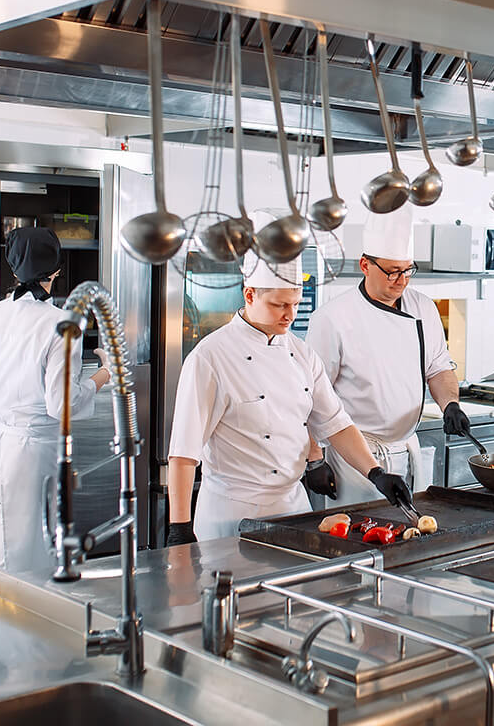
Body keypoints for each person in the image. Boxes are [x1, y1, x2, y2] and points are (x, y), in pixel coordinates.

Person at [165, 224, 412, 544]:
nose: (290, 315)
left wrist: (376, 473)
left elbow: (337, 425)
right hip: (232, 514)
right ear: (250, 294)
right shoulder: (210, 357)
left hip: (293, 508)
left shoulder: (301, 353)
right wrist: (179, 527)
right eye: (279, 305)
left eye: (295, 303)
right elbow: (184, 453)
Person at [0, 228, 112, 574]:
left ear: (13, 270)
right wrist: (105, 374)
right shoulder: (62, 324)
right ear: (56, 270)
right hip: (28, 456)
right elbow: (62, 405)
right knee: (24, 567)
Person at [305, 205, 468, 506]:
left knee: (414, 538)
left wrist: (451, 404)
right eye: (392, 271)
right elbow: (311, 397)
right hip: (356, 458)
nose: (402, 279)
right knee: (364, 541)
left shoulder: (423, 307)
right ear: (365, 265)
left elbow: (438, 368)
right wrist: (314, 458)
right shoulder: (332, 318)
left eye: (408, 270)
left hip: (407, 448)